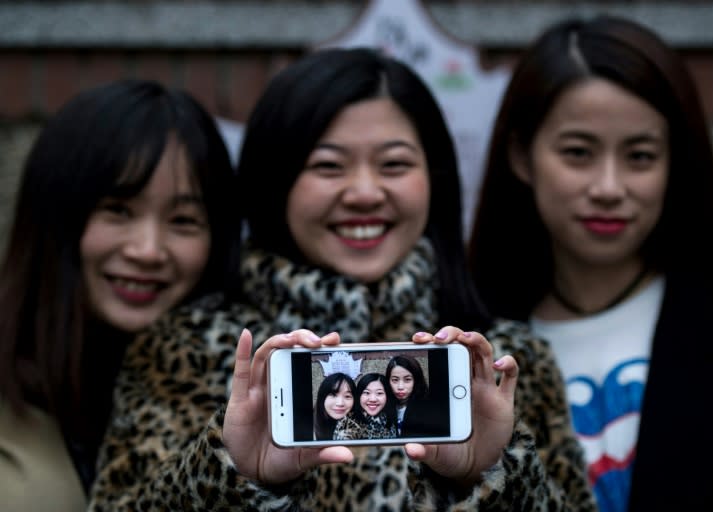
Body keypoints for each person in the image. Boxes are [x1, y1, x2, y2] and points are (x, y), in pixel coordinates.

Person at [88, 47, 596, 511]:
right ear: (276, 180)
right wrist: (232, 476)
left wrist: (491, 478)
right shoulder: (184, 351)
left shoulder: (504, 364)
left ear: (434, 179)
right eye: (328, 166)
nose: (364, 192)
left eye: (394, 164)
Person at [468, 15, 713, 512]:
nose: (609, 187)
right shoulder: (466, 338)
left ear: (676, 163)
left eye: (640, 156)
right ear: (521, 155)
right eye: (578, 152)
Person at [0, 79, 242, 512]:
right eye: (118, 210)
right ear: (53, 216)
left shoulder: (240, 405)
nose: (147, 250)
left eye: (184, 220)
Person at [385, 354, 441, 437]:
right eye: (395, 380)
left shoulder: (428, 410)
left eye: (407, 380)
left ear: (416, 380)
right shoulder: (383, 408)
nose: (400, 387)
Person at [347, 372, 397, 440]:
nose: (372, 399)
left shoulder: (390, 419)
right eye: (366, 393)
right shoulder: (348, 423)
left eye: (379, 393)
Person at [313, 372, 358, 440]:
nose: (340, 403)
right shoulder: (305, 428)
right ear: (322, 398)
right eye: (333, 395)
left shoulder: (359, 427)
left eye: (347, 396)